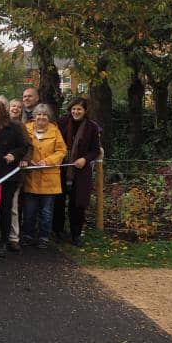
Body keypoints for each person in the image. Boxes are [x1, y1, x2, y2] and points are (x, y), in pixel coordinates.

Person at [53, 97, 101, 246]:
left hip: (80, 171)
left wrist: (85, 159)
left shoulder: (92, 127)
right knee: (58, 202)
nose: (76, 111)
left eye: (79, 109)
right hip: (61, 168)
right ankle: (58, 232)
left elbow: (95, 150)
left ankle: (76, 234)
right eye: (74, 108)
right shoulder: (61, 123)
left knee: (77, 204)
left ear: (85, 111)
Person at [20, 104, 67, 249]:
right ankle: (28, 235)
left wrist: (46, 161)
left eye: (44, 115)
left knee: (46, 212)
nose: (41, 117)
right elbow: (21, 147)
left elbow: (61, 151)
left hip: (49, 179)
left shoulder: (55, 131)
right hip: (31, 177)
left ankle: (44, 237)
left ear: (49, 118)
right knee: (29, 210)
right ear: (34, 116)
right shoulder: (26, 129)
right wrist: (28, 159)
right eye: (38, 114)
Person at [0, 101, 30, 254]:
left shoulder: (14, 128)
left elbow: (24, 146)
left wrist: (14, 155)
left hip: (8, 173)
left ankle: (4, 241)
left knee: (5, 207)